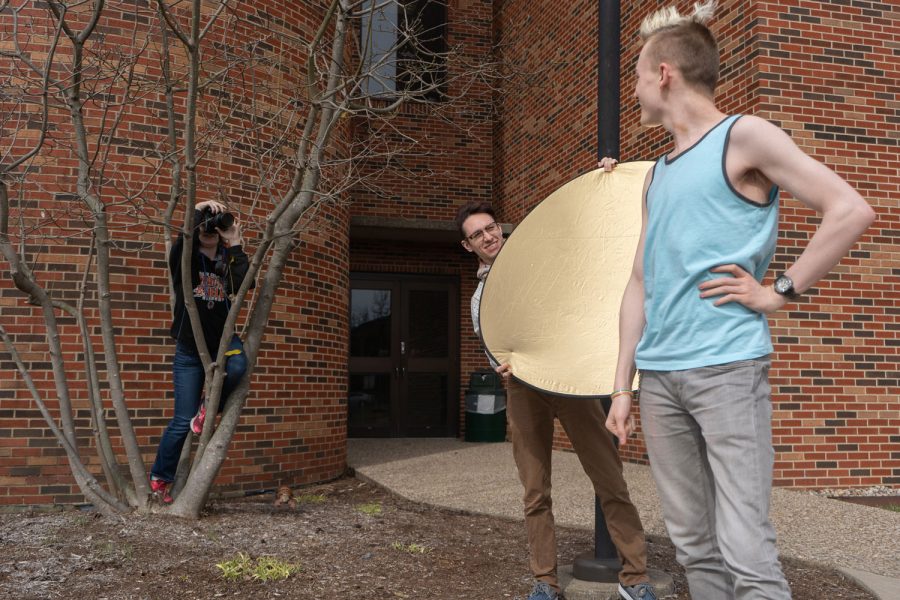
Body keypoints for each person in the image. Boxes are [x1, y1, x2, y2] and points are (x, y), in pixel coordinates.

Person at [603, 2, 875, 599]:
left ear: (665, 73)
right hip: (661, 379)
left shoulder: (744, 135)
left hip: (726, 369)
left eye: (639, 74)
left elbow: (851, 209)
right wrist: (622, 387)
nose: (636, 87)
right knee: (694, 546)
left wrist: (776, 292)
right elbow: (638, 283)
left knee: (746, 550)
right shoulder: (657, 174)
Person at [456, 201, 657, 600]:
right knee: (535, 491)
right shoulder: (481, 299)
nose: (488, 236)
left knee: (610, 480)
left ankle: (636, 578)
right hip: (523, 391)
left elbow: (579, 251)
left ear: (502, 228)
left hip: (570, 382)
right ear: (468, 246)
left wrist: (603, 180)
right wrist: (502, 366)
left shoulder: (540, 264)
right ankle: (544, 581)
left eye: (491, 227)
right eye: (477, 234)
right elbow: (495, 350)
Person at [149, 200, 251, 504]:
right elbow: (182, 244)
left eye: (213, 225)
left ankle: (209, 406)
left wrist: (235, 244)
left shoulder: (225, 257)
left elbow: (246, 283)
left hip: (223, 342)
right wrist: (198, 209)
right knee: (181, 420)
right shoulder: (187, 259)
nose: (209, 229)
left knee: (238, 367)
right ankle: (160, 479)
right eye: (204, 224)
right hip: (190, 350)